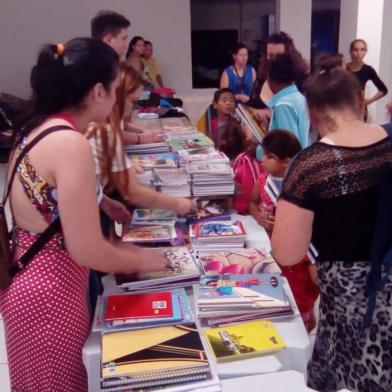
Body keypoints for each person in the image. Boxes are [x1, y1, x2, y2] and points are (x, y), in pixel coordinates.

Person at [0, 38, 169, 392]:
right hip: (51, 297)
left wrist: (102, 202)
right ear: (97, 91)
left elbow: (47, 200)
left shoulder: (37, 128)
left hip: (33, 286)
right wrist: (143, 257)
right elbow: (87, 249)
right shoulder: (70, 143)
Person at [271, 68, 392, 391]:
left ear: (311, 112)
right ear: (359, 100)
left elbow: (287, 252)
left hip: (355, 301)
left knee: (363, 374)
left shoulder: (312, 165)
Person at [87, 63, 192, 215]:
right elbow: (133, 192)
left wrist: (105, 201)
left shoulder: (97, 125)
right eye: (133, 102)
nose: (132, 108)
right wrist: (180, 204)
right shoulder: (105, 131)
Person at [249, 130, 318, 331]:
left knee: (300, 296)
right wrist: (258, 216)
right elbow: (252, 203)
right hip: (273, 248)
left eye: (269, 157)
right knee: (283, 292)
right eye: (264, 154)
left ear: (286, 162)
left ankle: (304, 329)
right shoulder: (263, 181)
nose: (262, 160)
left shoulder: (305, 185)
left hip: (299, 251)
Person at [247, 31, 309, 128]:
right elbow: (251, 105)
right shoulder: (262, 77)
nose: (274, 60)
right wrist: (255, 112)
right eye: (270, 56)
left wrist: (271, 114)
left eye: (278, 56)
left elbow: (302, 111)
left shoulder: (300, 78)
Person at [267, 52, 310, 148]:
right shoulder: (299, 97)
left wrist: (258, 150)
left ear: (271, 80)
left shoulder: (284, 105)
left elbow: (287, 147)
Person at [218, 122, 260, 214]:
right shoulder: (251, 159)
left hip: (247, 210)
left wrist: (240, 207)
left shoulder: (243, 164)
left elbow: (244, 192)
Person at [347, 39, 388, 116]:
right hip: (342, 110)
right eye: (356, 50)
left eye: (362, 50)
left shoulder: (368, 70)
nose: (359, 53)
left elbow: (383, 89)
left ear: (365, 52)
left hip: (358, 111)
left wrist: (368, 101)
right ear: (350, 51)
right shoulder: (343, 68)